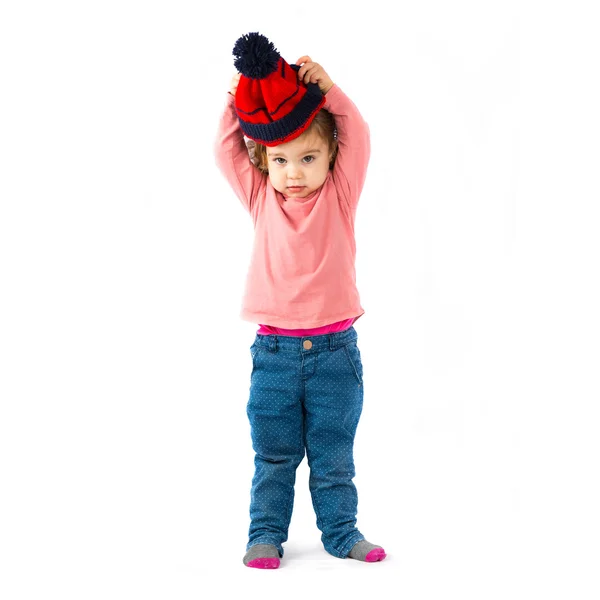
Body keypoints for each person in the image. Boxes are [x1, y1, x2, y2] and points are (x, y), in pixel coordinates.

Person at [213, 32, 386, 569]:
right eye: (281, 159)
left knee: (334, 459)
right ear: (263, 160)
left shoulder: (339, 193)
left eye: (308, 158)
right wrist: (236, 101)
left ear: (331, 157)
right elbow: (225, 150)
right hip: (274, 358)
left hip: (336, 353)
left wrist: (329, 91)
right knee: (275, 456)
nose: (294, 173)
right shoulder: (262, 195)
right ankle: (264, 534)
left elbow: (358, 132)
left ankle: (341, 532)